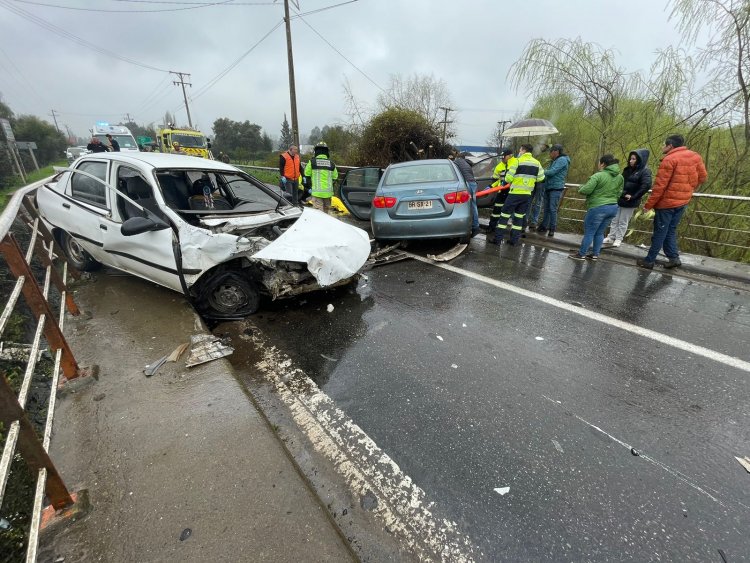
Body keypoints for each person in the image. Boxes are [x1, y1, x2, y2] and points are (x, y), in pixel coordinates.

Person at [636, 134, 707, 269]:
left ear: (670, 146)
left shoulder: (669, 160)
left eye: (664, 144)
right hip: (683, 201)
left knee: (660, 232)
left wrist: (648, 205)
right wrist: (688, 189)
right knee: (670, 230)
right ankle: (674, 258)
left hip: (666, 204)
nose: (662, 147)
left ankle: (649, 261)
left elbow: (659, 187)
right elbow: (703, 177)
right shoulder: (695, 156)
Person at [568, 154, 623, 261]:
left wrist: (580, 188)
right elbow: (620, 192)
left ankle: (581, 254)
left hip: (598, 207)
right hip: (613, 207)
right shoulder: (620, 177)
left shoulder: (598, 176)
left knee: (589, 232)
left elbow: (586, 190)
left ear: (603, 164)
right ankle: (595, 254)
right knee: (600, 232)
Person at [489, 143, 545, 246]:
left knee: (504, 216)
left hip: (514, 194)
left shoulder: (517, 162)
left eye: (520, 150)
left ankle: (497, 240)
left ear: (523, 150)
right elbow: (541, 178)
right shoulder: (537, 163)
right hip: (527, 195)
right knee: (519, 218)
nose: (519, 152)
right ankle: (514, 241)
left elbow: (508, 178)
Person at [603, 149, 652, 248]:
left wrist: (633, 196)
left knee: (623, 221)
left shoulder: (645, 171)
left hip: (631, 200)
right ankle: (611, 237)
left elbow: (646, 186)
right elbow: (620, 182)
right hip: (620, 197)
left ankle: (618, 239)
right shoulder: (627, 169)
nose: (630, 161)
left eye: (633, 159)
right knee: (614, 219)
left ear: (639, 160)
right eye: (631, 158)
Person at [536, 144, 570, 237]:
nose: (550, 154)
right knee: (546, 208)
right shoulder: (555, 160)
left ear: (556, 152)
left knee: (552, 209)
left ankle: (552, 228)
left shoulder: (562, 160)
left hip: (556, 188)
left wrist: (539, 171)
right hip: (549, 186)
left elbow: (551, 172)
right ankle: (543, 226)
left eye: (551, 152)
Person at [485, 148, 516, 238]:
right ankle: (492, 227)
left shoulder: (516, 163)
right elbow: (497, 180)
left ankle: (514, 232)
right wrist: (491, 186)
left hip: (512, 192)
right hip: (501, 191)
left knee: (512, 211)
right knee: (496, 210)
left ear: (510, 156)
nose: (502, 159)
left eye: (504, 157)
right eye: (502, 157)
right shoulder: (499, 166)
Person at [304, 141, 338, 213]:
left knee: (319, 215)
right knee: (326, 213)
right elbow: (335, 177)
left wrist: (309, 187)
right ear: (327, 152)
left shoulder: (312, 162)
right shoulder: (332, 163)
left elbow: (306, 174)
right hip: (328, 193)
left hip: (317, 193)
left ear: (316, 151)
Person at [454, 152, 480, 237]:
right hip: (473, 183)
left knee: (469, 205)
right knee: (473, 204)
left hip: (467, 184)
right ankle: (475, 226)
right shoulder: (466, 163)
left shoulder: (457, 162)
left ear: (458, 157)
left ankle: (475, 227)